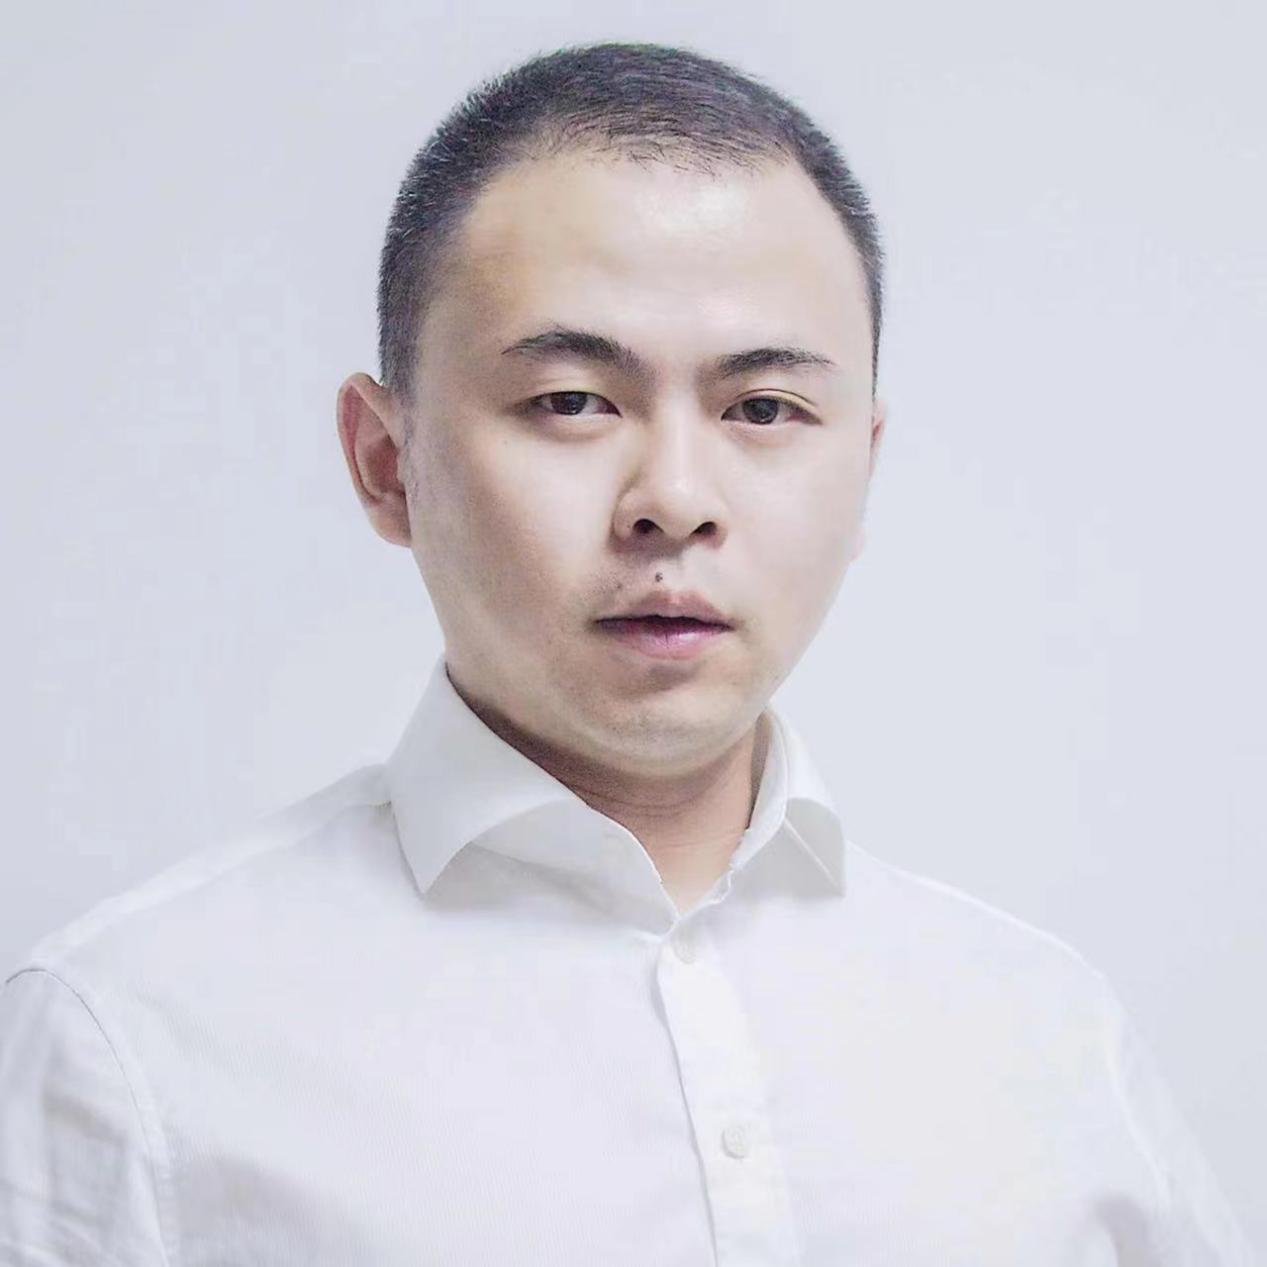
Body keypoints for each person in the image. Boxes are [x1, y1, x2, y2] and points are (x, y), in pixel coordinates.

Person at [0, 39, 1254, 1267]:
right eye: (571, 401)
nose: (674, 500)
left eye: (763, 409)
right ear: (387, 463)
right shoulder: (130, 1049)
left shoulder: (1048, 1037)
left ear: (863, 467)